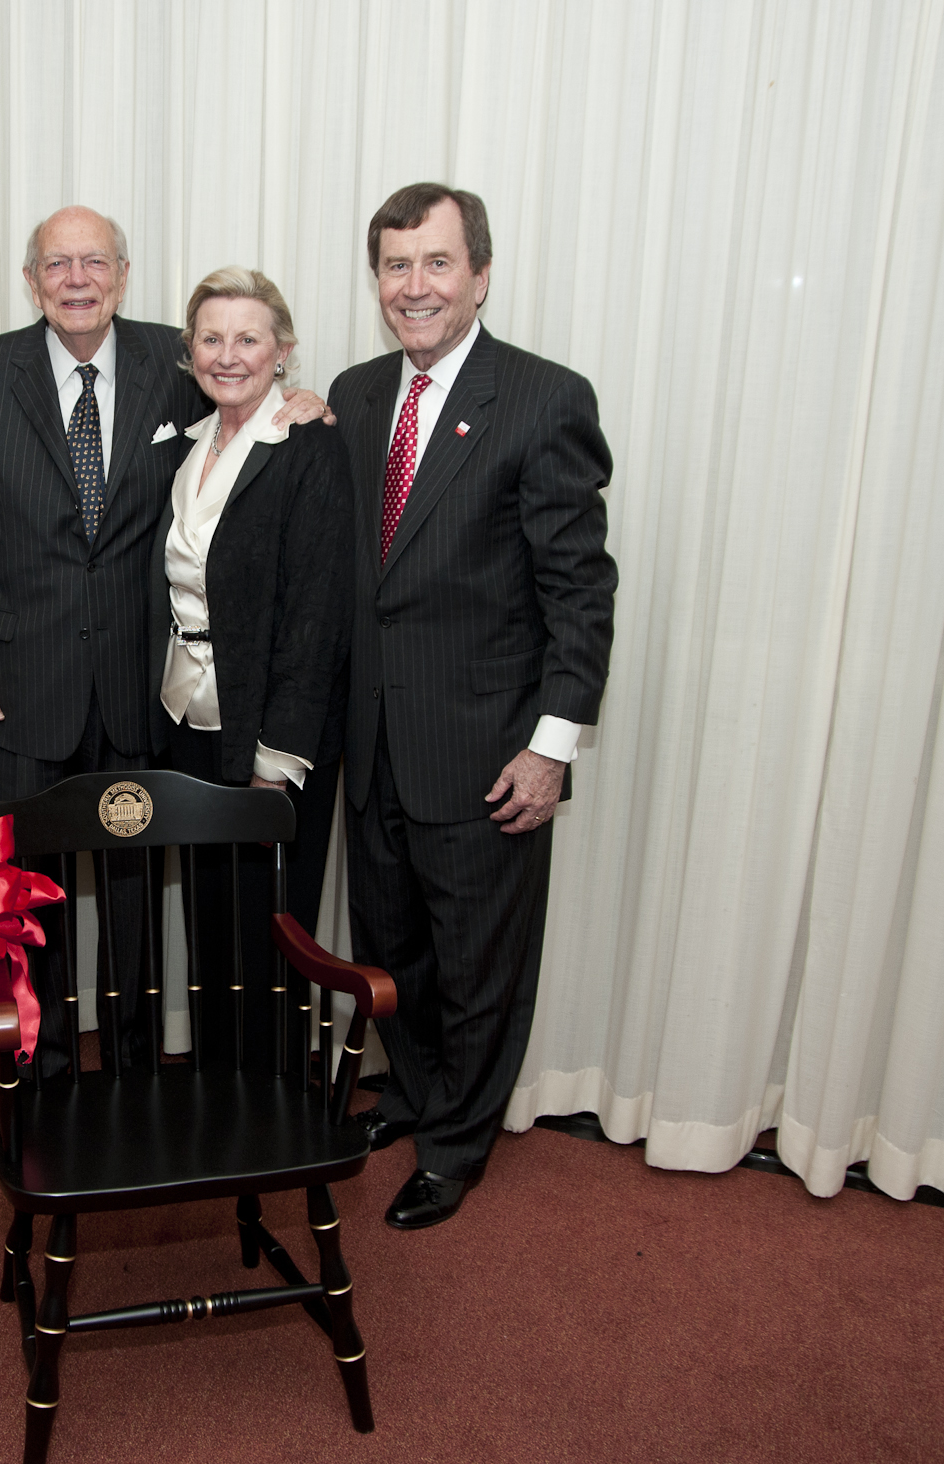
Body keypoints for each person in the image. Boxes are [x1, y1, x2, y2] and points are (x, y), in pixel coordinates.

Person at [0, 206, 330, 1076]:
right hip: (16, 683)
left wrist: (302, 402)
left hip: (137, 683)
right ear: (31, 279)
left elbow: (248, 418)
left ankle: (133, 1064)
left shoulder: (177, 359)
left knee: (134, 893)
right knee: (27, 889)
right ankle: (38, 1067)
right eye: (57, 265)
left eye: (95, 263)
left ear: (122, 273)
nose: (76, 279)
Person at [331, 183, 616, 1229]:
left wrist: (550, 750)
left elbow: (580, 592)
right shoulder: (356, 396)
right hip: (376, 748)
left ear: (480, 274)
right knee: (393, 951)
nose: (416, 287)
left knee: (478, 964)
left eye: (436, 264)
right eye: (397, 266)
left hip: (486, 753)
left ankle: (457, 1142)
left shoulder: (542, 399)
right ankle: (409, 1094)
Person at [147, 268, 350, 1071]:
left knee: (269, 923)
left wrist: (277, 757)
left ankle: (271, 1098)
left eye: (249, 338)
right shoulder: (188, 442)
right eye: (211, 338)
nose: (228, 356)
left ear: (284, 352)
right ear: (189, 349)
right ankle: (218, 1081)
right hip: (188, 718)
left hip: (271, 735)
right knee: (210, 914)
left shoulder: (310, 446)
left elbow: (316, 615)